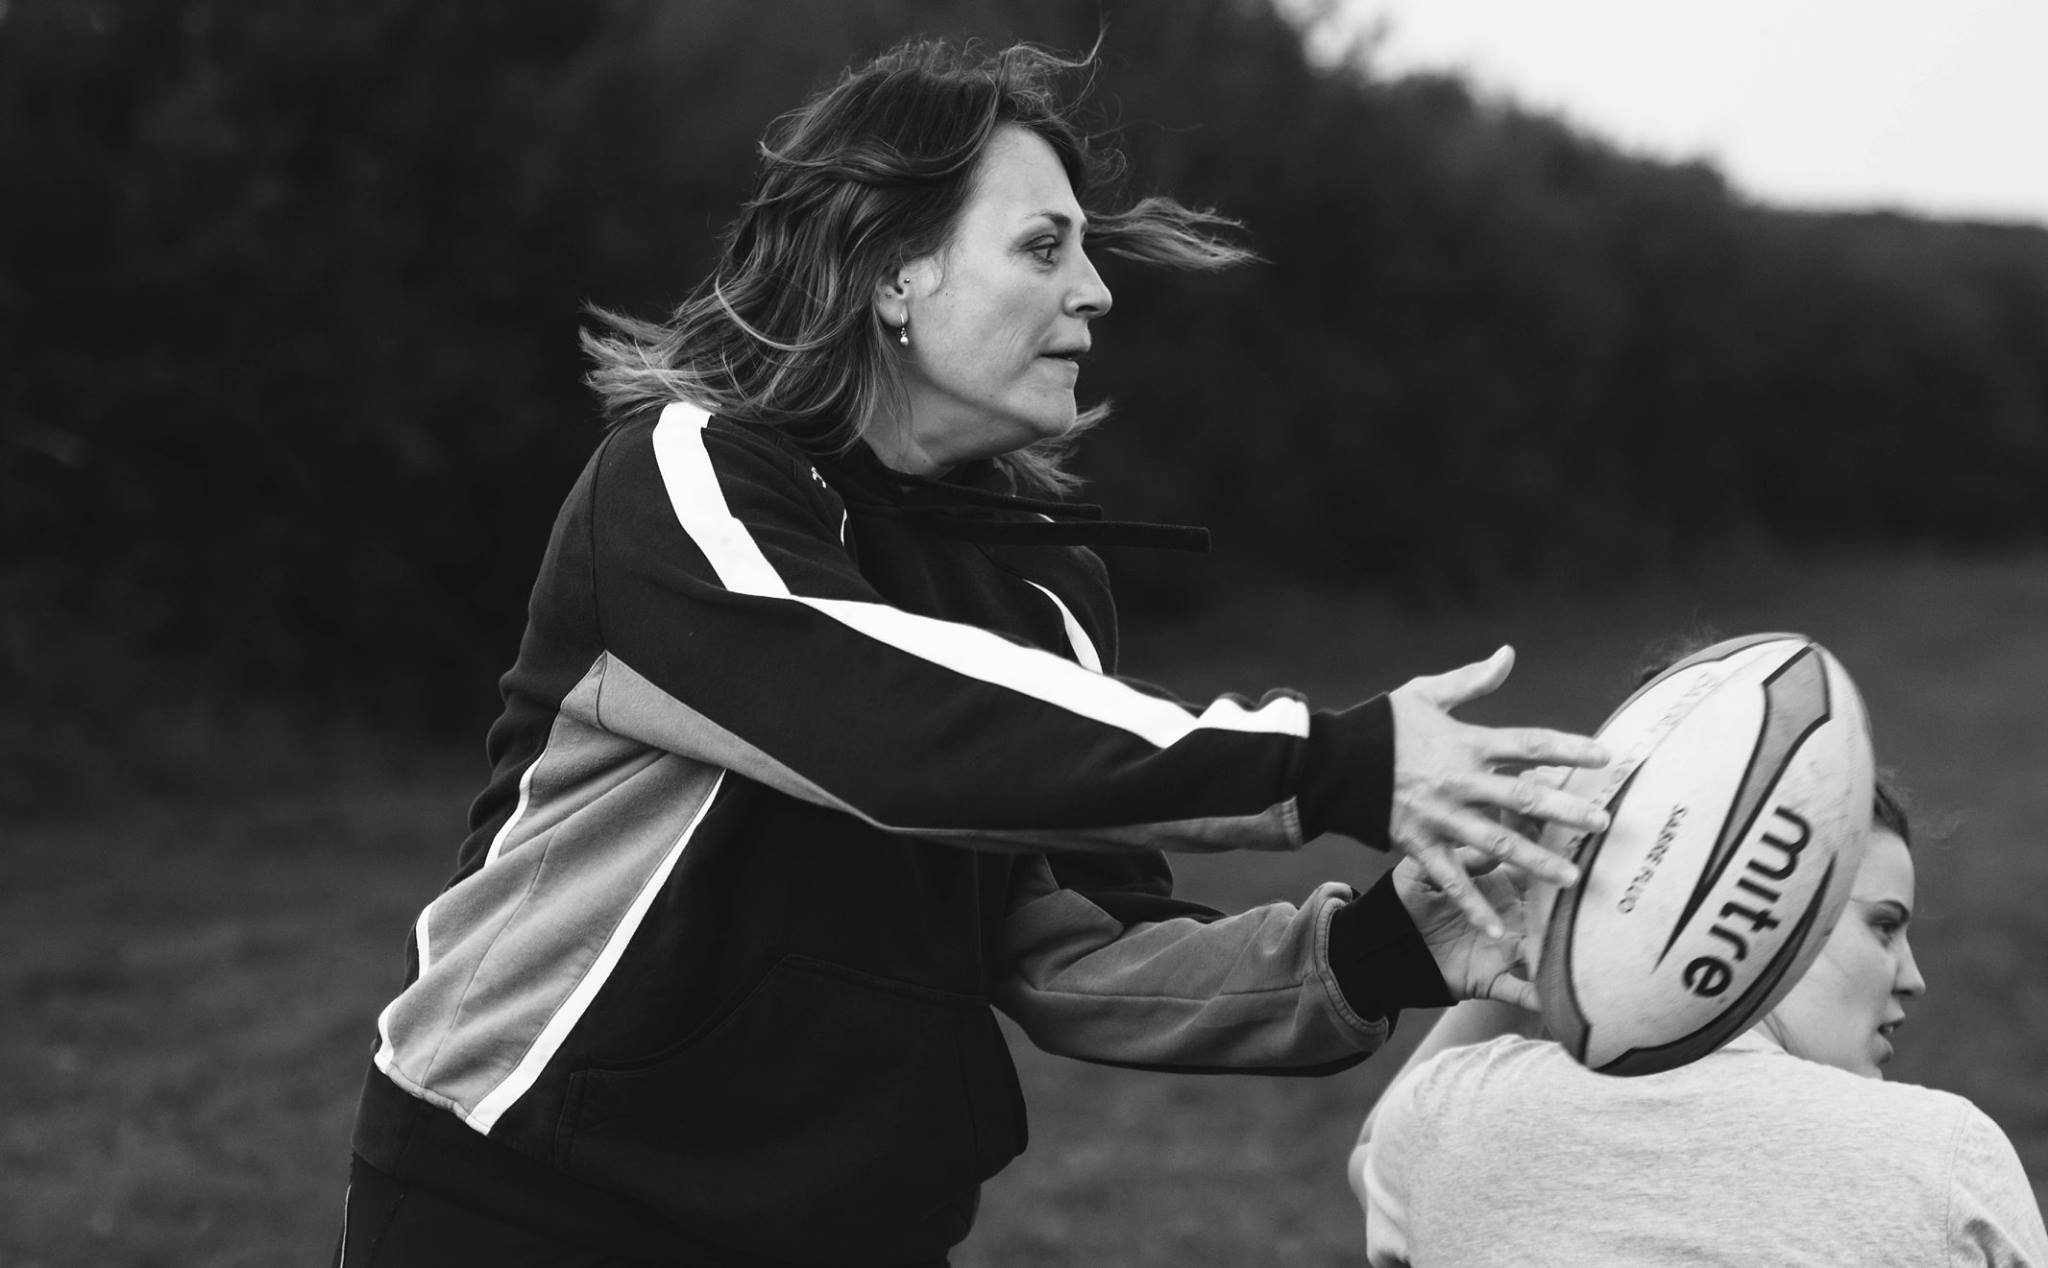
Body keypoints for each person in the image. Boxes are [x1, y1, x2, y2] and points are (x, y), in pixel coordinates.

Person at [332, 38, 1615, 1267]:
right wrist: (1335, 761)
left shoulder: (1046, 585)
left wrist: (1386, 945)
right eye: (1042, 246)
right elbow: (888, 724)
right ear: (893, 271)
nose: (1096, 289)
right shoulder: (685, 475)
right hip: (531, 1194)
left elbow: (1078, 951)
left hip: (851, 1232)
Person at [1351, 777, 2048, 1267]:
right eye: (1885, 927)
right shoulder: (1949, 1159)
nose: (1914, 978)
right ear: (1763, 911)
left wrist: (1535, 928)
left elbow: (1379, 1156)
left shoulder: (1448, 1114)